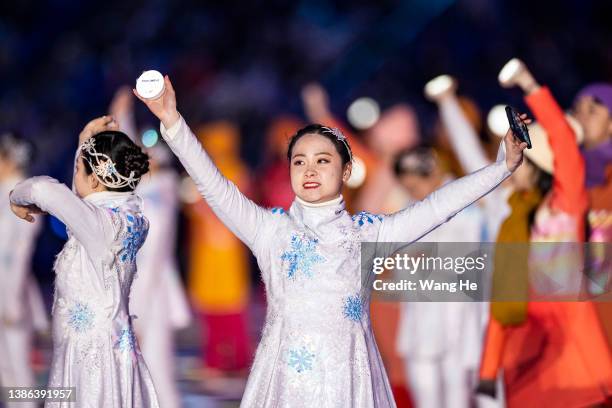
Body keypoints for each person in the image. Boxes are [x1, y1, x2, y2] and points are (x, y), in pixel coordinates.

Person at [135, 75, 526, 407]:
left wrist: (501, 168)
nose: (309, 170)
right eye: (299, 161)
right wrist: (172, 120)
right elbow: (212, 183)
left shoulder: (369, 234)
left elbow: (440, 205)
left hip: (350, 386)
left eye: (322, 160)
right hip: (285, 385)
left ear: (346, 170)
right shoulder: (270, 231)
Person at [9, 116, 159, 407]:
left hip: (91, 362)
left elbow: (42, 190)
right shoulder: (127, 218)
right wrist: (83, 144)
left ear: (96, 179)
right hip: (107, 349)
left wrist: (15, 197)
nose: (74, 175)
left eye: (78, 169)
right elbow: (83, 203)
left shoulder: (100, 226)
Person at [0, 133, 49, 408]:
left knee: (18, 369)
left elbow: (19, 254)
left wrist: (12, 299)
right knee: (6, 369)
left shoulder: (21, 196)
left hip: (13, 292)